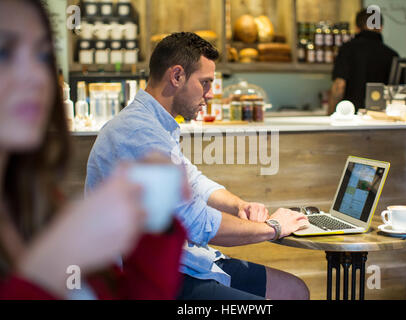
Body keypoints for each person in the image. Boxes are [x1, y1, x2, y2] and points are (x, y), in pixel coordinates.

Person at [86, 32, 310, 300]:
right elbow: (196, 223)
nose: (210, 94)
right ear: (177, 76)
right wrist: (273, 228)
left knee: (295, 291)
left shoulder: (156, 123)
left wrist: (239, 206)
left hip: (180, 262)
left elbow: (194, 181)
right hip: (147, 279)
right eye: (205, 83)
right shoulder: (137, 133)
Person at [0, 0, 186, 300]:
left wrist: (156, 220)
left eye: (43, 55)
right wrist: (57, 258)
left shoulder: (36, 202)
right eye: (4, 52)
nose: (36, 75)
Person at [328, 8, 399, 114]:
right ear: (381, 27)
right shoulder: (392, 55)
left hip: (351, 118)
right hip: (381, 120)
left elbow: (339, 86)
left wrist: (330, 114)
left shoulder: (347, 49)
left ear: (356, 28)